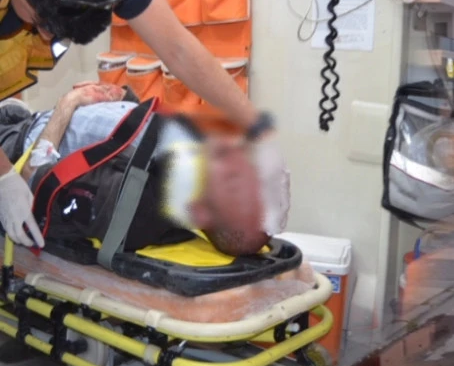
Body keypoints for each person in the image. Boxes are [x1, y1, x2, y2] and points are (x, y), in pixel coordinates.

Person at [0, 0, 288, 250]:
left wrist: (258, 128)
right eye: (39, 20)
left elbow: (179, 48)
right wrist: (4, 177)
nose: (46, 37)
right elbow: (37, 180)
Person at [0, 83, 268, 257]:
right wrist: (124, 99)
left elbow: (34, 184)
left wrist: (68, 104)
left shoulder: (134, 208)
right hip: (26, 117)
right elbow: (136, 138)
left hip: (14, 146)